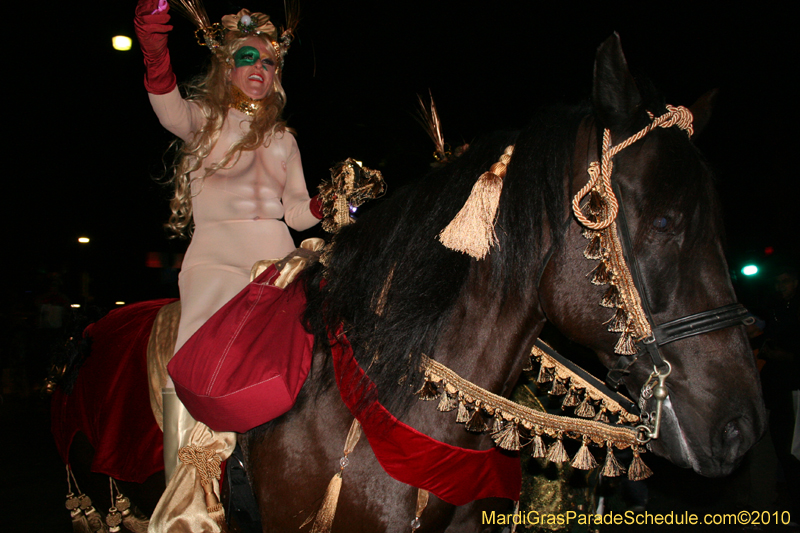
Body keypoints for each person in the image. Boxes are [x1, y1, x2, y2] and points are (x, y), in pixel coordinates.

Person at [134, 0, 322, 529]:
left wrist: (330, 204)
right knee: (192, 365)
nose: (258, 69)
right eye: (247, 57)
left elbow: (296, 213)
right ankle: (187, 503)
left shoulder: (285, 138)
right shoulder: (205, 121)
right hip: (216, 262)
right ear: (227, 67)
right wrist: (154, 52)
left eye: (268, 62)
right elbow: (168, 106)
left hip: (280, 260)